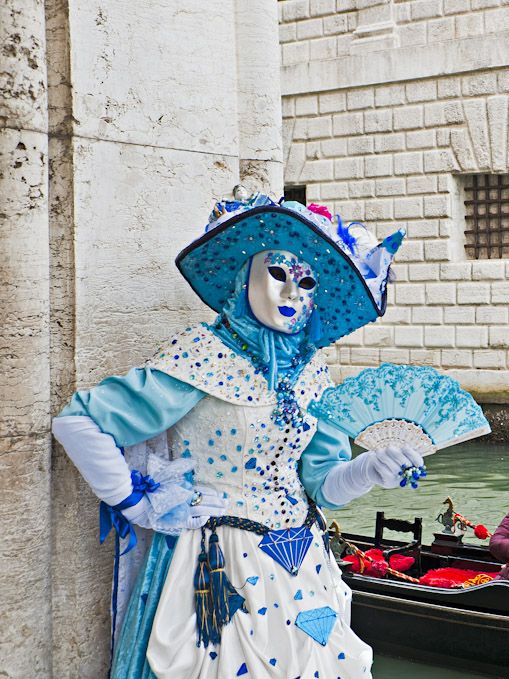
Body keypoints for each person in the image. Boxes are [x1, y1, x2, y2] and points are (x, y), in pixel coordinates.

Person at [52, 193, 420, 678]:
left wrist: (370, 469)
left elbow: (322, 484)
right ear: (245, 274)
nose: (291, 292)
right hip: (217, 565)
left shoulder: (312, 373)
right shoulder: (202, 356)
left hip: (304, 566)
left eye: (306, 281)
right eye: (278, 273)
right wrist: (135, 503)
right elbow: (78, 422)